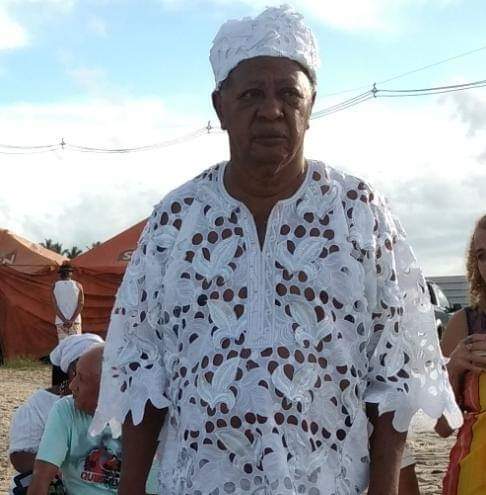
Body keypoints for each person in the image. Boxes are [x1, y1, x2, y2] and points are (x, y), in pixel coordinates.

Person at [91, 6, 460, 494]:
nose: (271, 110)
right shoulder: (176, 220)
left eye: (289, 93)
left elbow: (394, 371)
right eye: (251, 94)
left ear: (311, 105)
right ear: (220, 107)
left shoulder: (358, 212)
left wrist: (385, 488)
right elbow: (142, 369)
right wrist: (131, 488)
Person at [27, 345, 159, 495]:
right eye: (75, 374)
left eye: (82, 379)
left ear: (109, 389)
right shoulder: (66, 410)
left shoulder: (145, 422)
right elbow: (41, 477)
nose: (72, 385)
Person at [8, 333, 103, 494]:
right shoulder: (52, 406)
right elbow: (20, 459)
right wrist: (67, 466)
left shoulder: (119, 410)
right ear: (72, 370)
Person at [439, 214, 486, 495]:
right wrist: (454, 368)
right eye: (482, 256)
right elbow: (442, 428)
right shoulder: (464, 324)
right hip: (475, 475)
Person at [51, 261, 84, 341]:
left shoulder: (54, 286)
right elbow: (81, 304)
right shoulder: (78, 285)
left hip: (61, 322)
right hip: (75, 321)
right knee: (76, 345)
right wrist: (72, 320)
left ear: (60, 274)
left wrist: (64, 320)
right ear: (71, 273)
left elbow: (55, 305)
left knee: (64, 345)